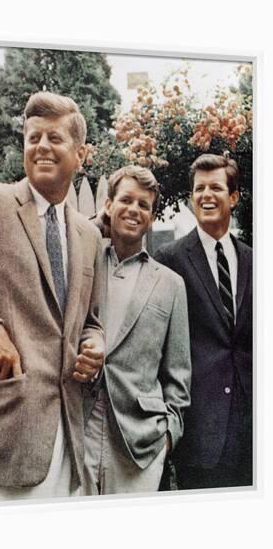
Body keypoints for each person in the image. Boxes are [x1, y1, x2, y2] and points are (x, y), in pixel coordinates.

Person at [0, 92, 105, 502]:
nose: (41, 146)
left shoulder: (90, 235)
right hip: (3, 439)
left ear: (81, 153)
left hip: (68, 442)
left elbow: (90, 319)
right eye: (33, 137)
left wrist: (95, 344)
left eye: (54, 138)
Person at [83, 165, 191, 495]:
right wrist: (95, 226)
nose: (133, 210)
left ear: (152, 216)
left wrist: (168, 435)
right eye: (125, 200)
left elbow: (178, 374)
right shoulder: (83, 261)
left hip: (139, 444)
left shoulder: (171, 284)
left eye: (143, 205)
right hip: (79, 429)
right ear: (108, 205)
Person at [154, 153, 252, 490]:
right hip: (201, 432)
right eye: (199, 189)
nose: (206, 195)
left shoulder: (255, 261)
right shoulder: (170, 259)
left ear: (234, 197)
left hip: (254, 433)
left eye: (216, 187)